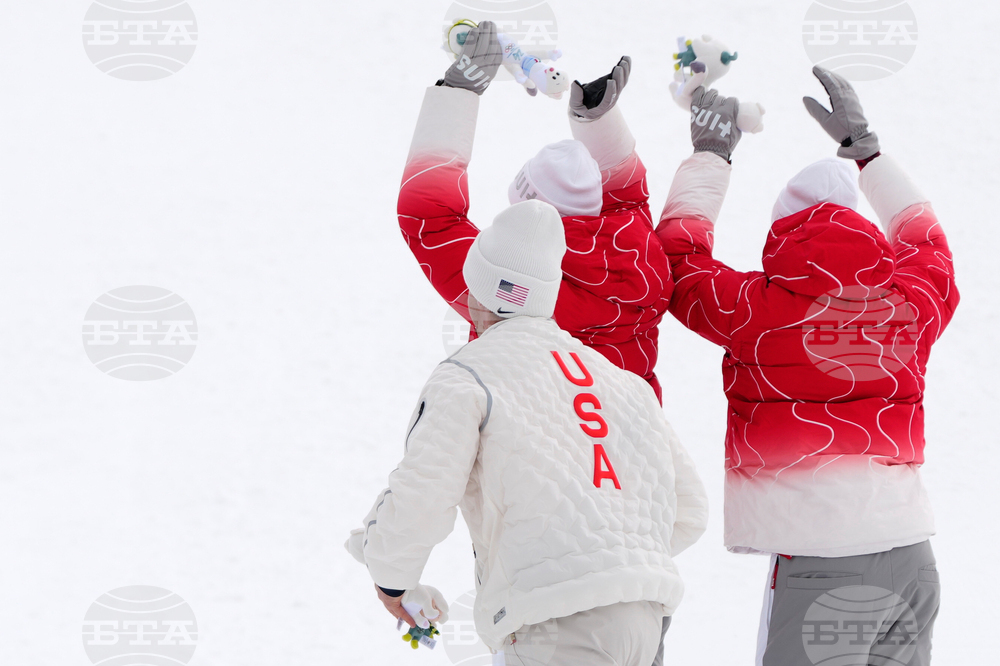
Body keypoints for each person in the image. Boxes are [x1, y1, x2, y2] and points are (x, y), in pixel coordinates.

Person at [654, 69, 959, 665]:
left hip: (823, 567)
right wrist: (867, 151)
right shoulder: (909, 303)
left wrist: (710, 157)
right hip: (913, 560)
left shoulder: (756, 311)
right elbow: (930, 246)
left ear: (782, 233)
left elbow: (677, 262)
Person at [347, 198, 709, 665]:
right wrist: (609, 561)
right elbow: (691, 509)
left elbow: (423, 491)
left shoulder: (467, 376)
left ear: (476, 286)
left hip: (555, 624)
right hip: (646, 618)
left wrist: (391, 577)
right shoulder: (622, 381)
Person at [397, 21, 674, 402]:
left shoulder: (510, 281)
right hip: (629, 443)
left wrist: (460, 91)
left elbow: (428, 218)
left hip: (531, 445)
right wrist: (598, 122)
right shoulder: (641, 252)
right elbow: (628, 198)